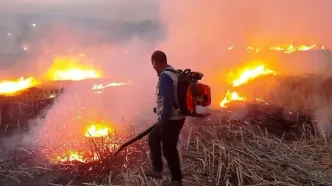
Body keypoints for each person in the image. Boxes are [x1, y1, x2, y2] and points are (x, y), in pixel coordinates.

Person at [144, 50, 186, 186]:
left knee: (169, 149)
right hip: (177, 117)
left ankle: (176, 180)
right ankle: (157, 169)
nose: (153, 67)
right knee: (153, 137)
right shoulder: (173, 72)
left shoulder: (165, 77)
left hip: (170, 119)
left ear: (155, 62)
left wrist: (164, 119)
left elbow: (168, 99)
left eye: (153, 64)